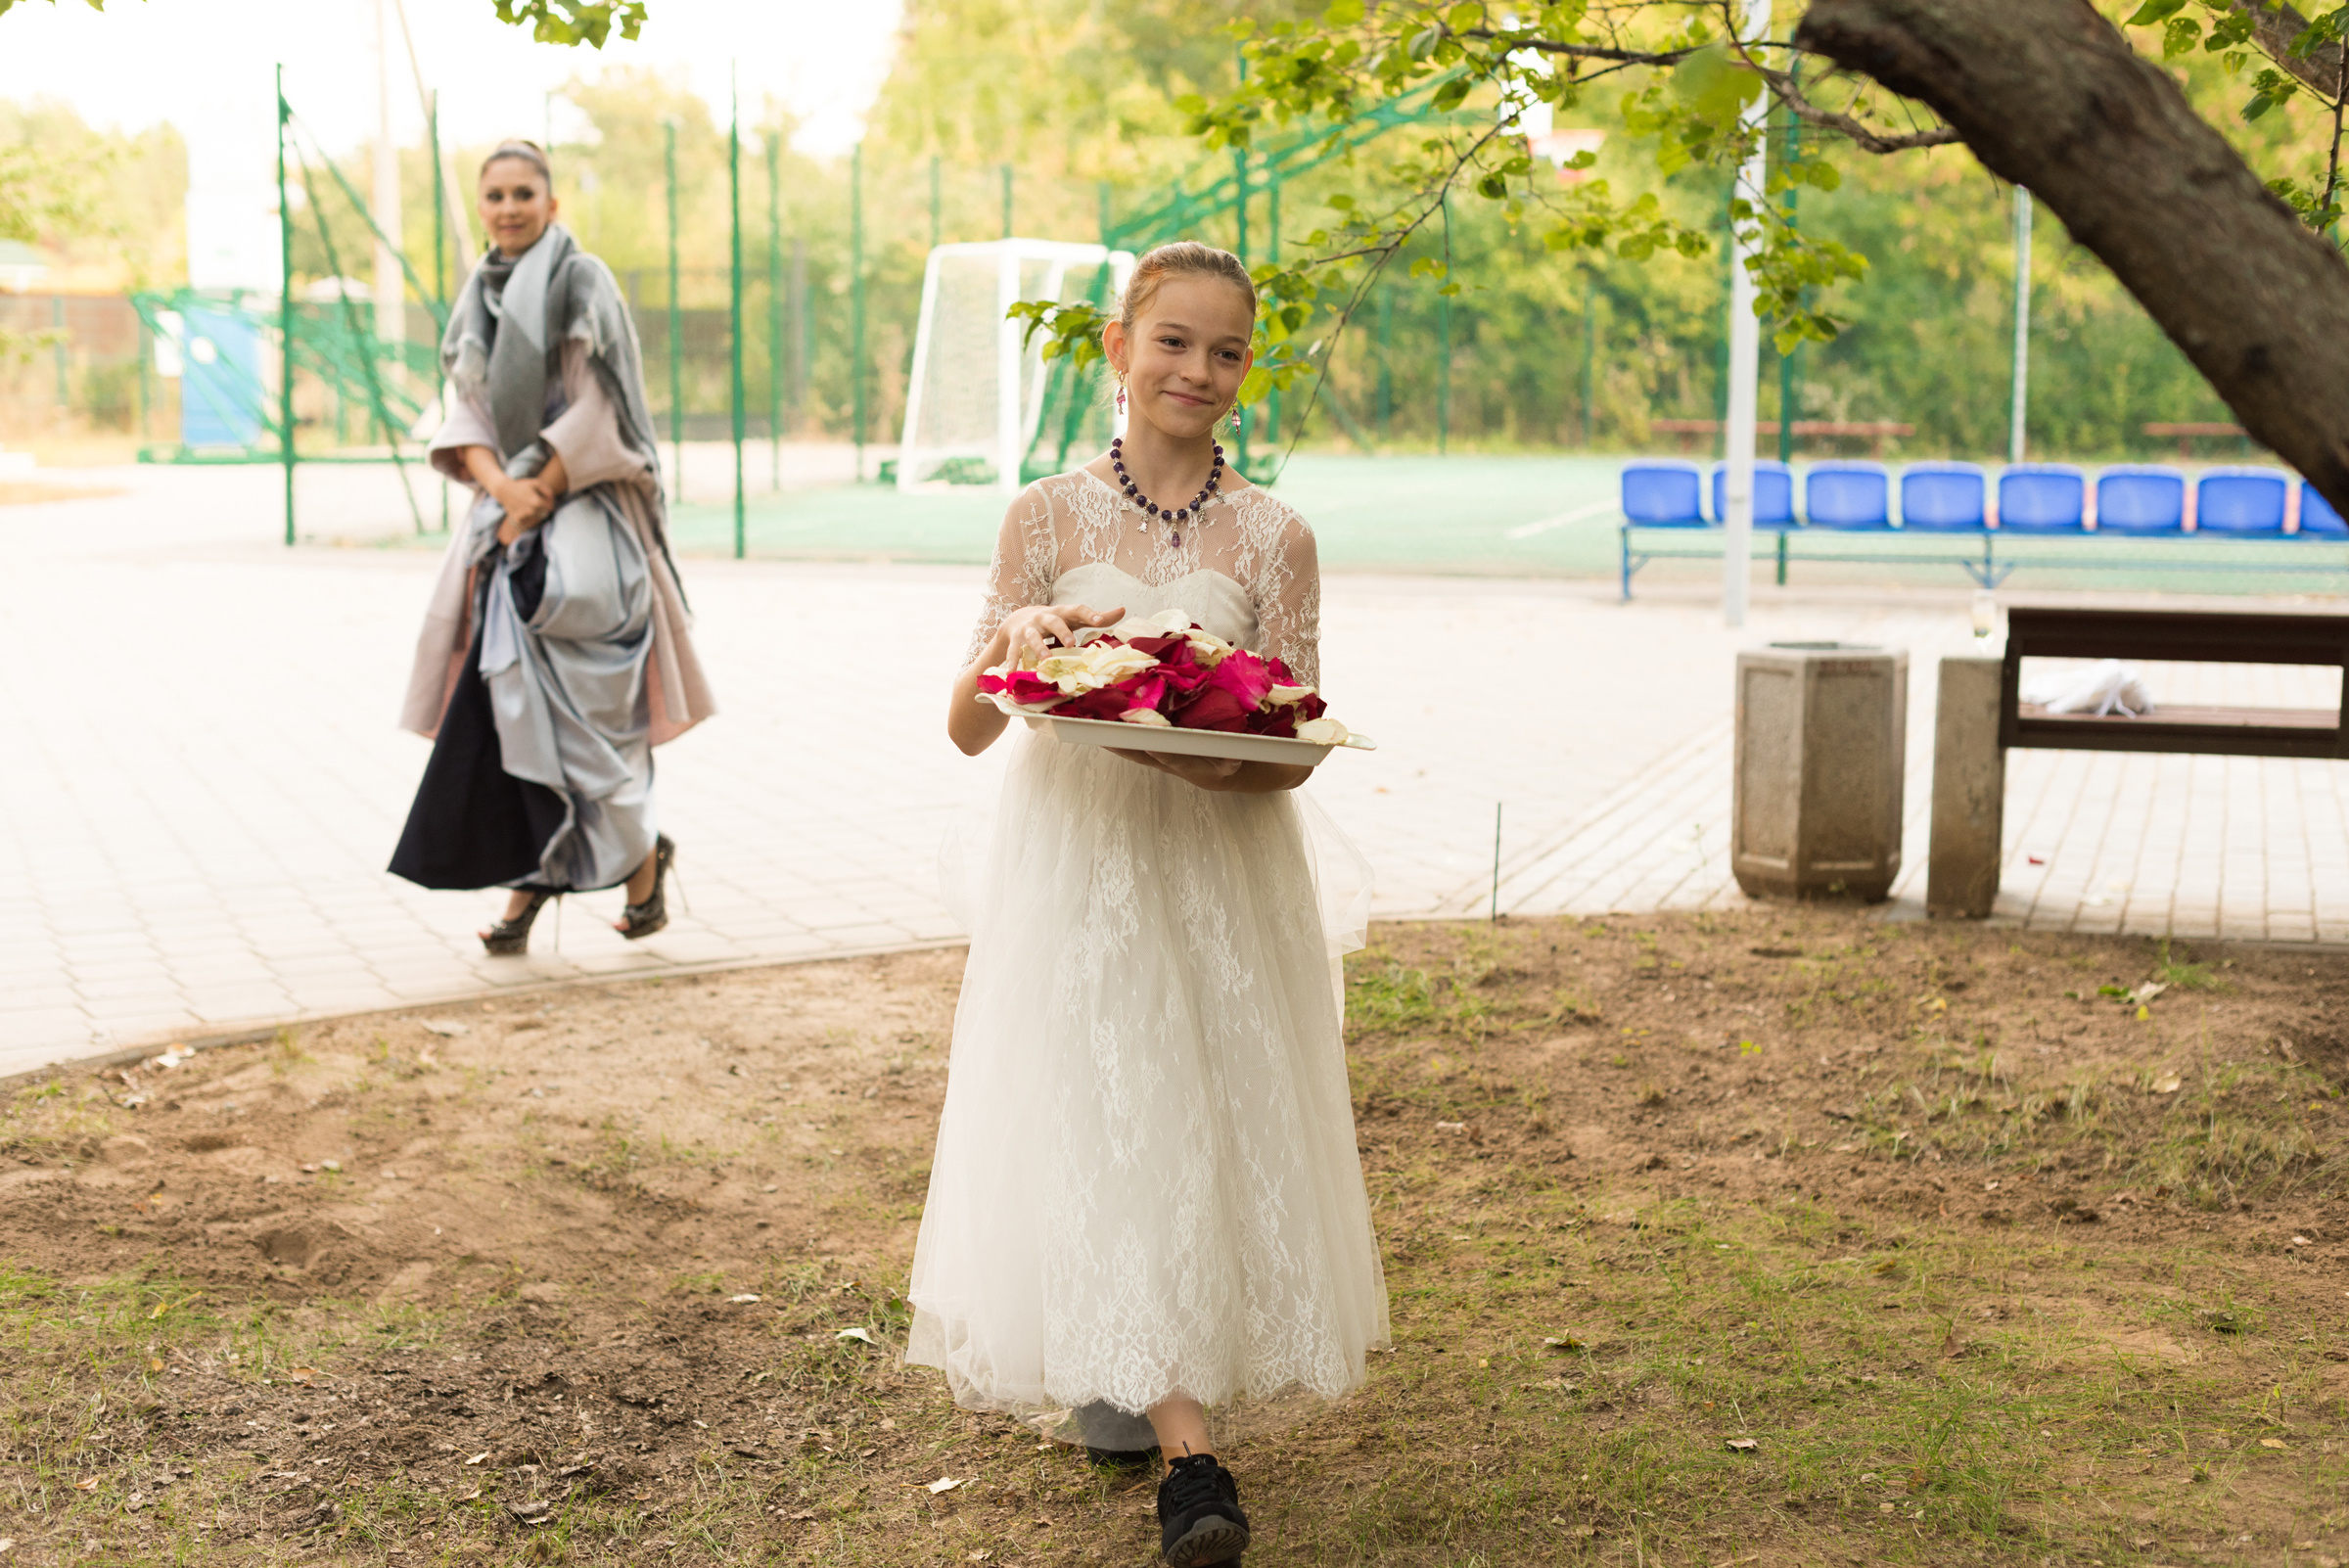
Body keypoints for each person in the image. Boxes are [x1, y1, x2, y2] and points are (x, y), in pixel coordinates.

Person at [907, 241, 1388, 1567]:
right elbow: (963, 731)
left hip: (1221, 872)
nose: (1199, 371)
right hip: (1082, 869)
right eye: (1173, 341)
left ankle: (1143, 1362)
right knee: (1104, 1110)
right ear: (1120, 350)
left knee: (1200, 1118)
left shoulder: (1276, 537)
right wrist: (1015, 652)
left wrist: (1186, 740)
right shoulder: (1046, 521)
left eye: (1227, 351)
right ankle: (1193, 1457)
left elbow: (1279, 746)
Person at [390, 140, 713, 954]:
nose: (507, 208)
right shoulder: (479, 292)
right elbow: (466, 409)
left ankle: (637, 862)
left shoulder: (581, 280)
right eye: (493, 194)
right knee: (512, 716)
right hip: (507, 528)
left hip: (588, 533)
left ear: (552, 202)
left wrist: (538, 488)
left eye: (523, 193)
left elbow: (604, 406)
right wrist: (503, 492)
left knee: (596, 723)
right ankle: (532, 886)